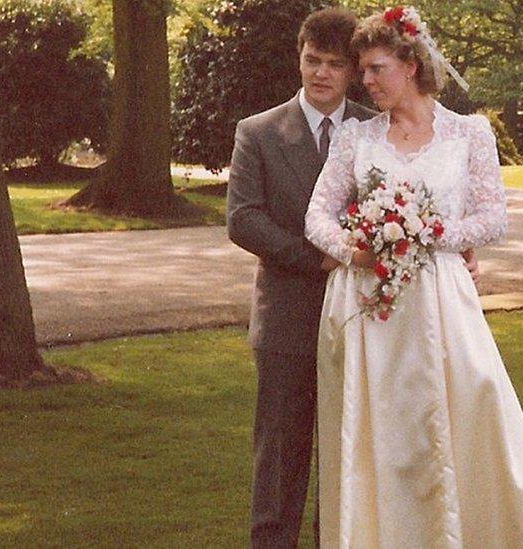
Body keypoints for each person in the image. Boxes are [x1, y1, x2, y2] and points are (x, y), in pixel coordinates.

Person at [304, 6, 523, 548]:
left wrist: (421, 232)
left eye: (377, 68)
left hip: (443, 304)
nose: (367, 81)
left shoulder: (469, 134)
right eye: (364, 70)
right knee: (381, 435)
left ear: (411, 63)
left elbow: (492, 218)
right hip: (368, 304)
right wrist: (356, 250)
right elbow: (317, 216)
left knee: (468, 415)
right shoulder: (356, 137)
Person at [225, 8, 376, 548]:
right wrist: (319, 257)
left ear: (351, 71)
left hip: (360, 321)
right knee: (280, 458)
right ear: (300, 56)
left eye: (335, 64)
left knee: (346, 457)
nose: (321, 74)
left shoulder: (372, 130)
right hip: (286, 320)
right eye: (313, 60)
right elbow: (242, 219)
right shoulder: (258, 132)